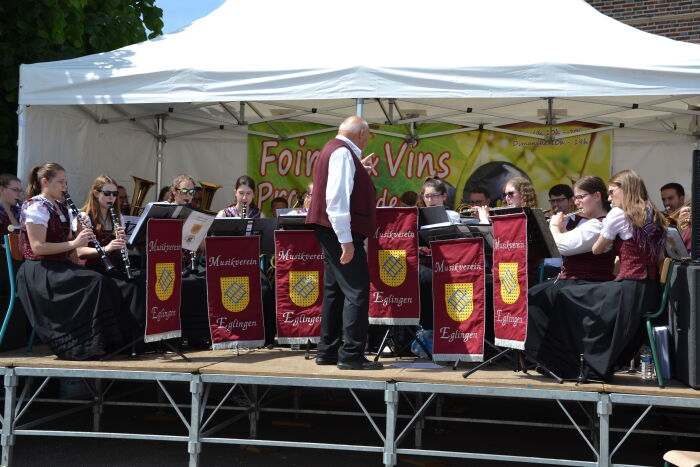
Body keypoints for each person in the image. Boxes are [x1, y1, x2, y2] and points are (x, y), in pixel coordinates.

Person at [537, 170, 667, 382]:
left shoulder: (618, 214)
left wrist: (561, 228)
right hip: (650, 291)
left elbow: (597, 249)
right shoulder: (655, 214)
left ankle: (570, 365)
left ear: (625, 190)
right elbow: (659, 256)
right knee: (577, 295)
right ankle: (583, 362)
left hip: (629, 289)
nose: (609, 198)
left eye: (612, 192)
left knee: (566, 297)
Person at [16, 163, 128, 360]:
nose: (65, 187)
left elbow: (69, 250)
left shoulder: (60, 207)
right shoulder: (35, 206)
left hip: (59, 266)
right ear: (45, 182)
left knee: (104, 281)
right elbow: (38, 247)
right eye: (60, 182)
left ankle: (104, 342)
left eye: (66, 182)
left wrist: (82, 238)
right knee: (95, 283)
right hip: (40, 271)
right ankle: (84, 343)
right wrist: (75, 242)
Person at [306, 115, 382, 370]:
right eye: (368, 135)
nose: (368, 139)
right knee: (357, 290)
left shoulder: (337, 151)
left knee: (335, 290)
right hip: (338, 230)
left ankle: (327, 351)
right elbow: (336, 200)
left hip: (330, 230)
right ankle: (351, 354)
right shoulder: (342, 153)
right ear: (361, 133)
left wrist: (359, 168)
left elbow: (339, 187)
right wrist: (346, 241)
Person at [525, 176, 615, 370]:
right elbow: (572, 242)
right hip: (578, 279)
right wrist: (564, 228)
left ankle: (549, 359)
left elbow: (562, 246)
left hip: (586, 282)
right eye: (575, 198)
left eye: (580, 197)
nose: (576, 202)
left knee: (533, 298)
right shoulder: (591, 223)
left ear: (597, 195)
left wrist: (554, 226)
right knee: (534, 293)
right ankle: (546, 355)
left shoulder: (599, 224)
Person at [76, 175, 146, 337]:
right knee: (127, 287)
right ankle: (114, 337)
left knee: (139, 282)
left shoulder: (117, 217)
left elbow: (120, 249)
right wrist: (106, 248)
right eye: (107, 193)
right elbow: (80, 252)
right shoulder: (85, 217)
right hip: (92, 268)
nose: (112, 198)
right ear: (95, 193)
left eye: (114, 194)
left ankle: (134, 338)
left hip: (112, 267)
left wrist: (123, 242)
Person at [541, 183, 582, 279]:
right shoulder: (545, 221)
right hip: (546, 267)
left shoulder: (581, 222)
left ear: (571, 201)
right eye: (552, 201)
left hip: (570, 270)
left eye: (559, 200)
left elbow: (574, 245)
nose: (555, 204)